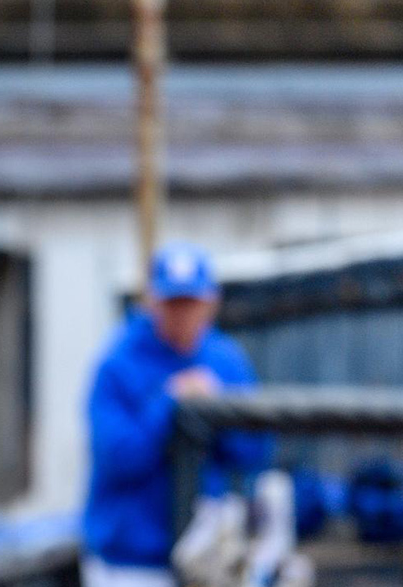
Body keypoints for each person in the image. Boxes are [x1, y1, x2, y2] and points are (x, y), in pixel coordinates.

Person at [82, 243, 270, 587]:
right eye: (173, 304)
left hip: (208, 559)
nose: (182, 315)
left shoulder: (226, 360)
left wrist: (218, 408)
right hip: (133, 563)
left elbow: (255, 451)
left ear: (211, 304)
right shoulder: (118, 363)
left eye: (191, 304)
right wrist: (170, 403)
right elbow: (118, 457)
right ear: (152, 302)